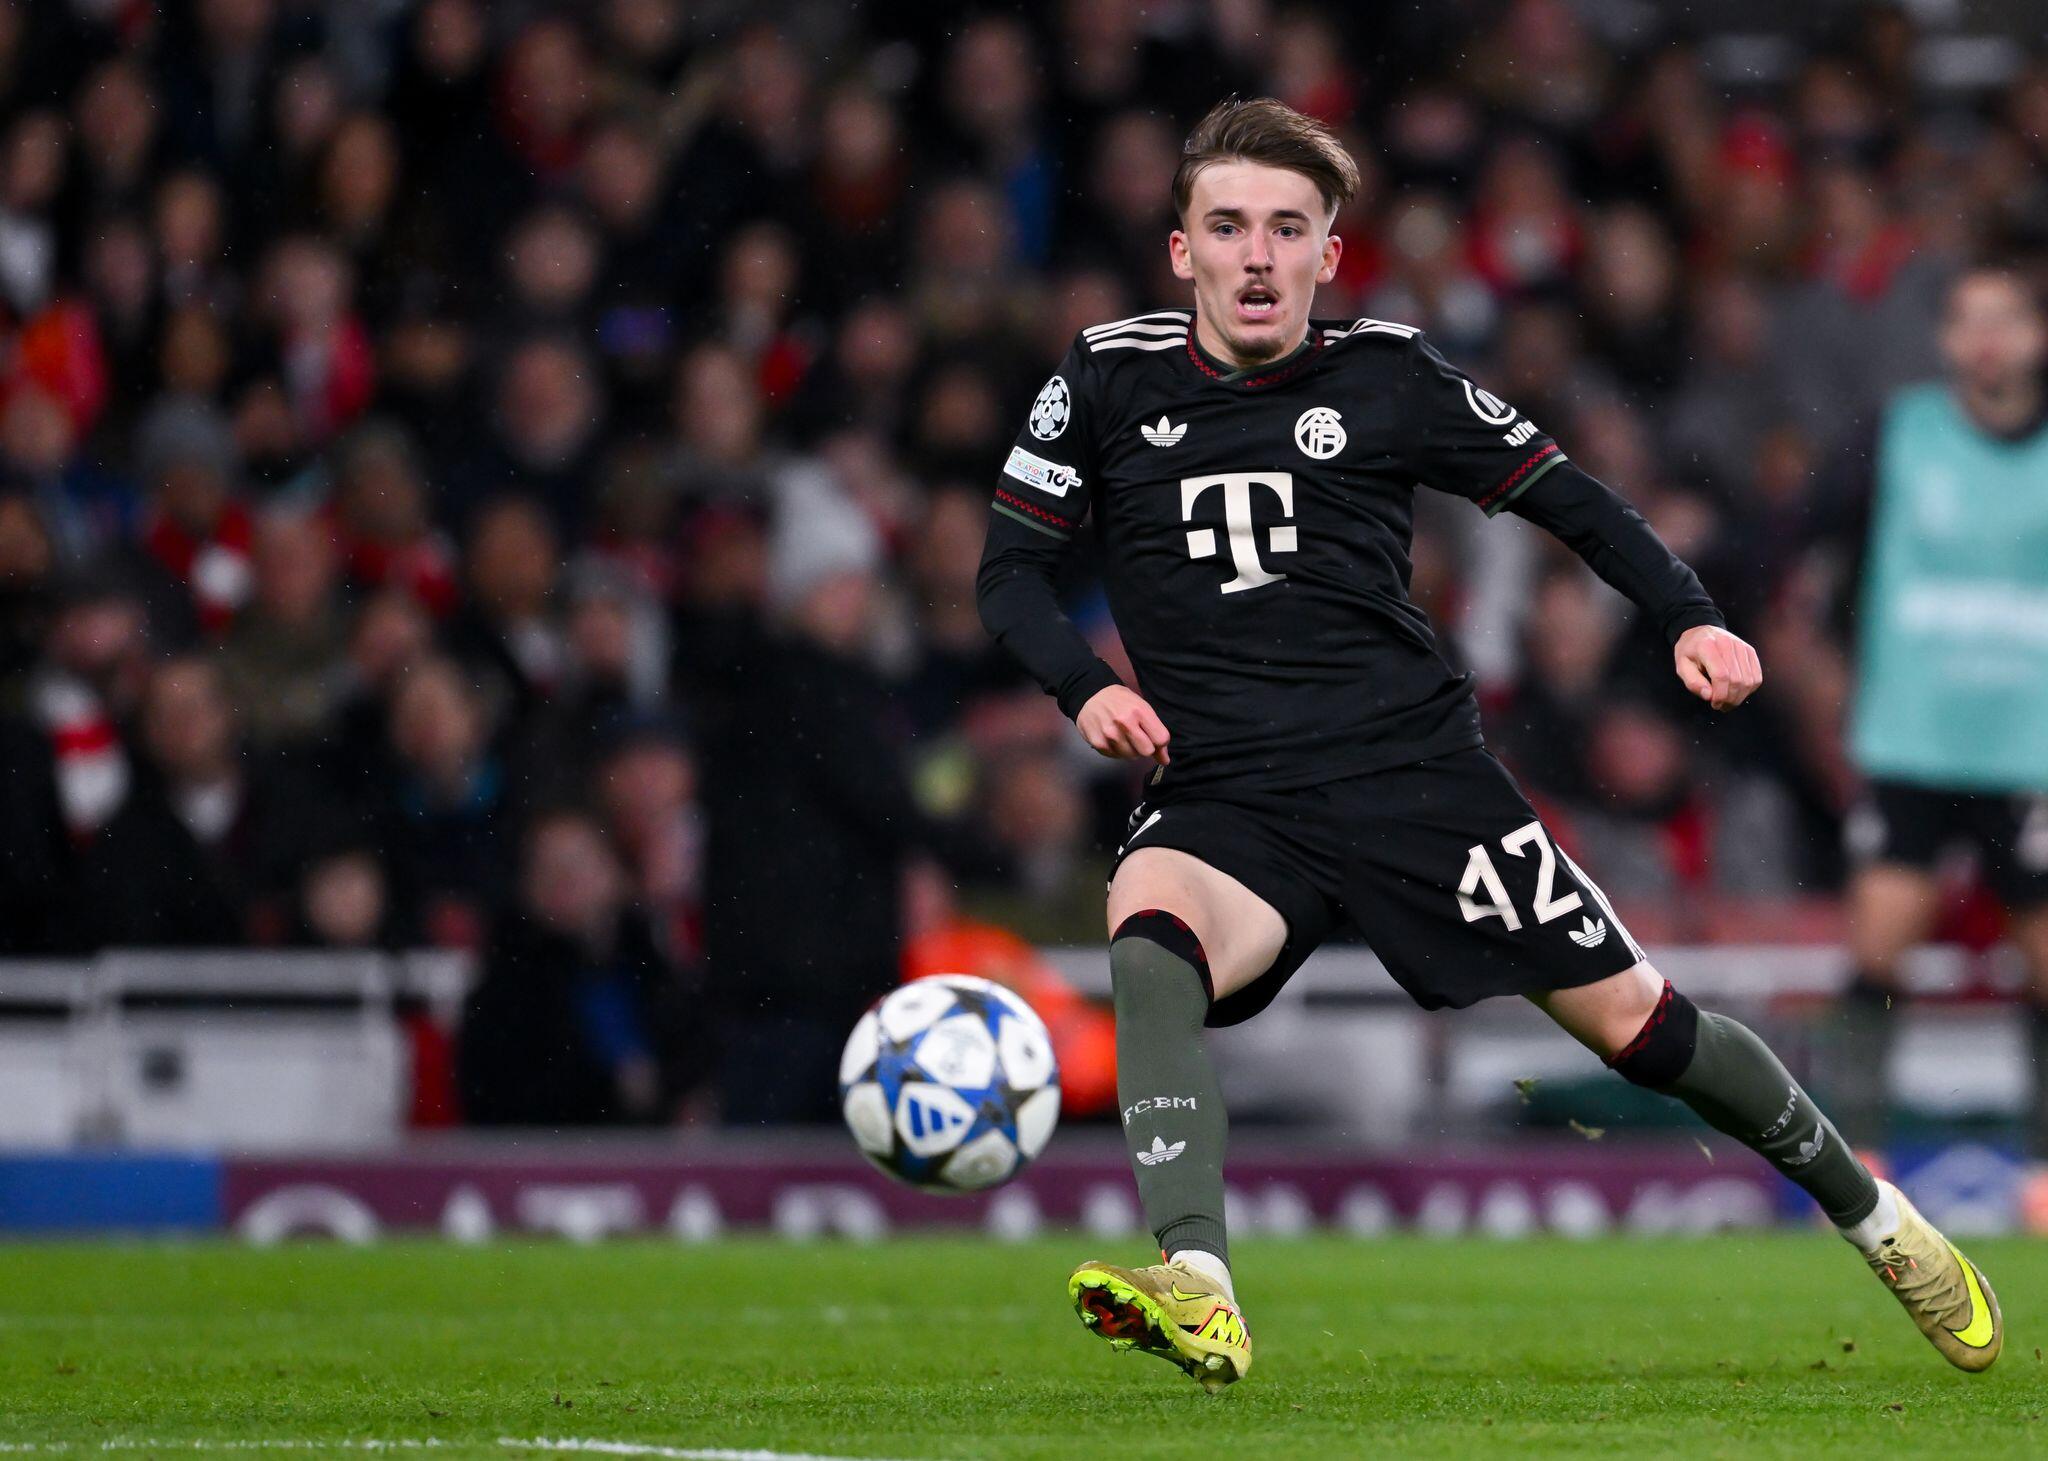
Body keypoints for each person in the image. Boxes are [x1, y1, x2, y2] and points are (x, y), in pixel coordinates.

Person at [975, 98, 2002, 1391]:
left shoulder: (1389, 374)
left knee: (1642, 1028)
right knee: (1149, 933)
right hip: (1229, 793)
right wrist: (1082, 690)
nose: (1256, 255)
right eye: (1226, 227)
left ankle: (1879, 1219)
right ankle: (1201, 1281)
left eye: (1286, 228)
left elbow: (1571, 497)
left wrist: (1689, 616)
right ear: (1181, 250)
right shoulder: (1102, 375)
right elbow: (1008, 572)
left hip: (1414, 780)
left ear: (1328, 255)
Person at [1833, 265, 2048, 1153]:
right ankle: (1851, 1165)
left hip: (2031, 748)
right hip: (1913, 740)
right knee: (1877, 953)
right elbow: (1806, 550)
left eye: (2006, 318)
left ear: (2037, 334)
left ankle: (2043, 1174)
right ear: (1947, 340)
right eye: (1969, 320)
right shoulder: (1899, 434)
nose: (1988, 338)